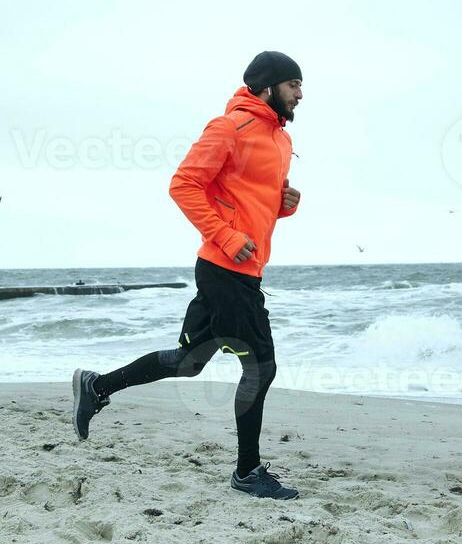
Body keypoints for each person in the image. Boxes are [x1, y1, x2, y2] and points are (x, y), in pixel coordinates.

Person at [71, 51, 304, 500]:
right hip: (224, 270)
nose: (300, 95)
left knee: (188, 363)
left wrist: (284, 204)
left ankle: (96, 387)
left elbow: (250, 199)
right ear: (267, 86)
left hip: (243, 270)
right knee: (261, 366)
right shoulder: (227, 127)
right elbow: (183, 184)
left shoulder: (279, 140)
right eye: (293, 85)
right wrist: (227, 236)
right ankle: (247, 472)